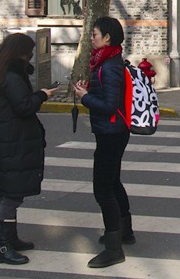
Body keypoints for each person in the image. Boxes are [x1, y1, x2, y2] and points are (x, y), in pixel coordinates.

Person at [0, 32, 58, 265]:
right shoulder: (11, 75)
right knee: (11, 194)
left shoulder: (3, 70)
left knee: (11, 190)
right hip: (11, 139)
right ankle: (3, 246)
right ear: (20, 54)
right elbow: (24, 106)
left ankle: (11, 238)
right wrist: (42, 95)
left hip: (7, 137)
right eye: (29, 54)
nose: (31, 58)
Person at [73, 17, 133, 269]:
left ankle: (113, 248)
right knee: (113, 181)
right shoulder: (107, 61)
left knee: (102, 189)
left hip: (111, 132)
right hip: (112, 131)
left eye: (95, 33)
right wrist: (90, 91)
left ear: (107, 37)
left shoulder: (109, 66)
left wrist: (85, 97)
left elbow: (109, 105)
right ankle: (125, 231)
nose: (91, 37)